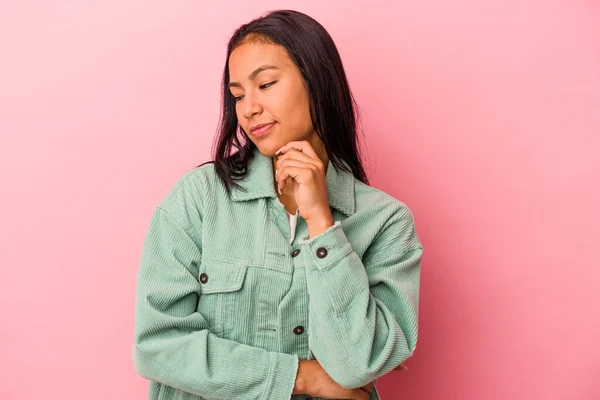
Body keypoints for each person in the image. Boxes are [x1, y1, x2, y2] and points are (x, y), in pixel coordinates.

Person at [133, 9, 423, 400]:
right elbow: (157, 344)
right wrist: (300, 377)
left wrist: (322, 222)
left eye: (265, 84)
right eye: (237, 95)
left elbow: (358, 365)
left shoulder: (386, 222)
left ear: (317, 82)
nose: (248, 108)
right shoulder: (198, 198)